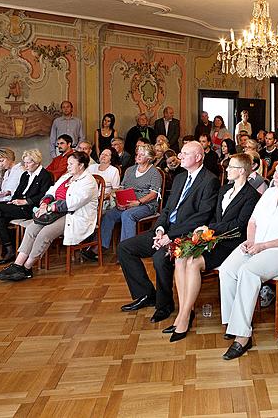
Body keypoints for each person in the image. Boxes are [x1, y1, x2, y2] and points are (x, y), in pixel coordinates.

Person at [117, 141, 219, 324]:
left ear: (198, 157)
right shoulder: (180, 178)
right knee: (125, 248)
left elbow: (201, 217)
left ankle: (164, 305)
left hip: (186, 234)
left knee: (159, 259)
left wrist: (169, 237)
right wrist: (160, 229)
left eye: (185, 154)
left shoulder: (209, 180)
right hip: (166, 230)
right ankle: (147, 295)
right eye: (181, 153)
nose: (179, 156)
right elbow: (167, 209)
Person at [219, 158, 278, 360]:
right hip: (258, 244)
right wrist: (251, 241)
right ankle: (232, 323)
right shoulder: (269, 193)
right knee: (227, 269)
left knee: (248, 271)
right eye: (275, 171)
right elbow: (252, 221)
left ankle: (242, 336)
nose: (275, 175)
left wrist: (262, 246)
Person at [166, 153, 260, 342]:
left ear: (241, 171)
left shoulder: (251, 195)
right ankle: (185, 311)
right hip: (214, 237)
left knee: (193, 263)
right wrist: (205, 231)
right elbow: (215, 217)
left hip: (232, 242)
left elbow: (239, 225)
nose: (226, 169)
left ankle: (183, 318)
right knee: (180, 257)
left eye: (231, 167)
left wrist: (210, 229)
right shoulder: (225, 189)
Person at [0, 152, 98, 282]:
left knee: (45, 234)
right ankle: (17, 265)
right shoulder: (67, 177)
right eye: (68, 163)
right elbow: (51, 191)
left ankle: (27, 268)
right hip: (55, 212)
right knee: (31, 229)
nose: (68, 166)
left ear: (81, 165)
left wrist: (48, 208)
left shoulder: (88, 181)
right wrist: (44, 203)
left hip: (74, 215)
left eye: (71, 164)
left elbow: (73, 203)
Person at [95, 143, 162, 258]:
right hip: (127, 203)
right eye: (137, 154)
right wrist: (119, 202)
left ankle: (126, 251)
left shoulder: (154, 172)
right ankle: (100, 247)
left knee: (127, 215)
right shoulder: (130, 170)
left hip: (146, 205)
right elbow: (121, 187)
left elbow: (153, 194)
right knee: (109, 215)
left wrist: (138, 202)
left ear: (149, 158)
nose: (138, 156)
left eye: (142, 154)